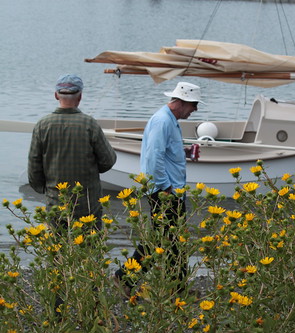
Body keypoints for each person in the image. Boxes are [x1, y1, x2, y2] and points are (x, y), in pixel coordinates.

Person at [114, 82, 202, 296]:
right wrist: (166, 188)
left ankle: (175, 288)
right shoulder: (163, 120)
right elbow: (154, 158)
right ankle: (124, 277)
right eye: (194, 105)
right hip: (165, 192)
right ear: (181, 102)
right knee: (164, 240)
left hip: (170, 190)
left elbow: (164, 151)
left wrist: (186, 151)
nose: (195, 110)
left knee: (170, 240)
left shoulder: (169, 120)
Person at [28, 74, 117, 228]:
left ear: (56, 95)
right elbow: (108, 161)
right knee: (90, 249)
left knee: (58, 248)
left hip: (56, 203)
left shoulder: (42, 125)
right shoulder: (89, 124)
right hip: (88, 204)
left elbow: (34, 167)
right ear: (80, 96)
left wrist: (45, 190)